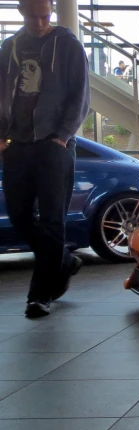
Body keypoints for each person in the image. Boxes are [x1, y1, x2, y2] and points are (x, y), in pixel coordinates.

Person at [0, 0, 90, 317]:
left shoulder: (67, 45)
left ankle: (39, 295)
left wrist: (62, 137)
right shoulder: (8, 47)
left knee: (52, 221)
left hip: (56, 144)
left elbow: (80, 94)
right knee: (19, 214)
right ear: (21, 12)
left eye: (45, 15)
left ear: (51, 10)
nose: (39, 22)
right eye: (33, 16)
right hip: (18, 144)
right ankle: (64, 261)